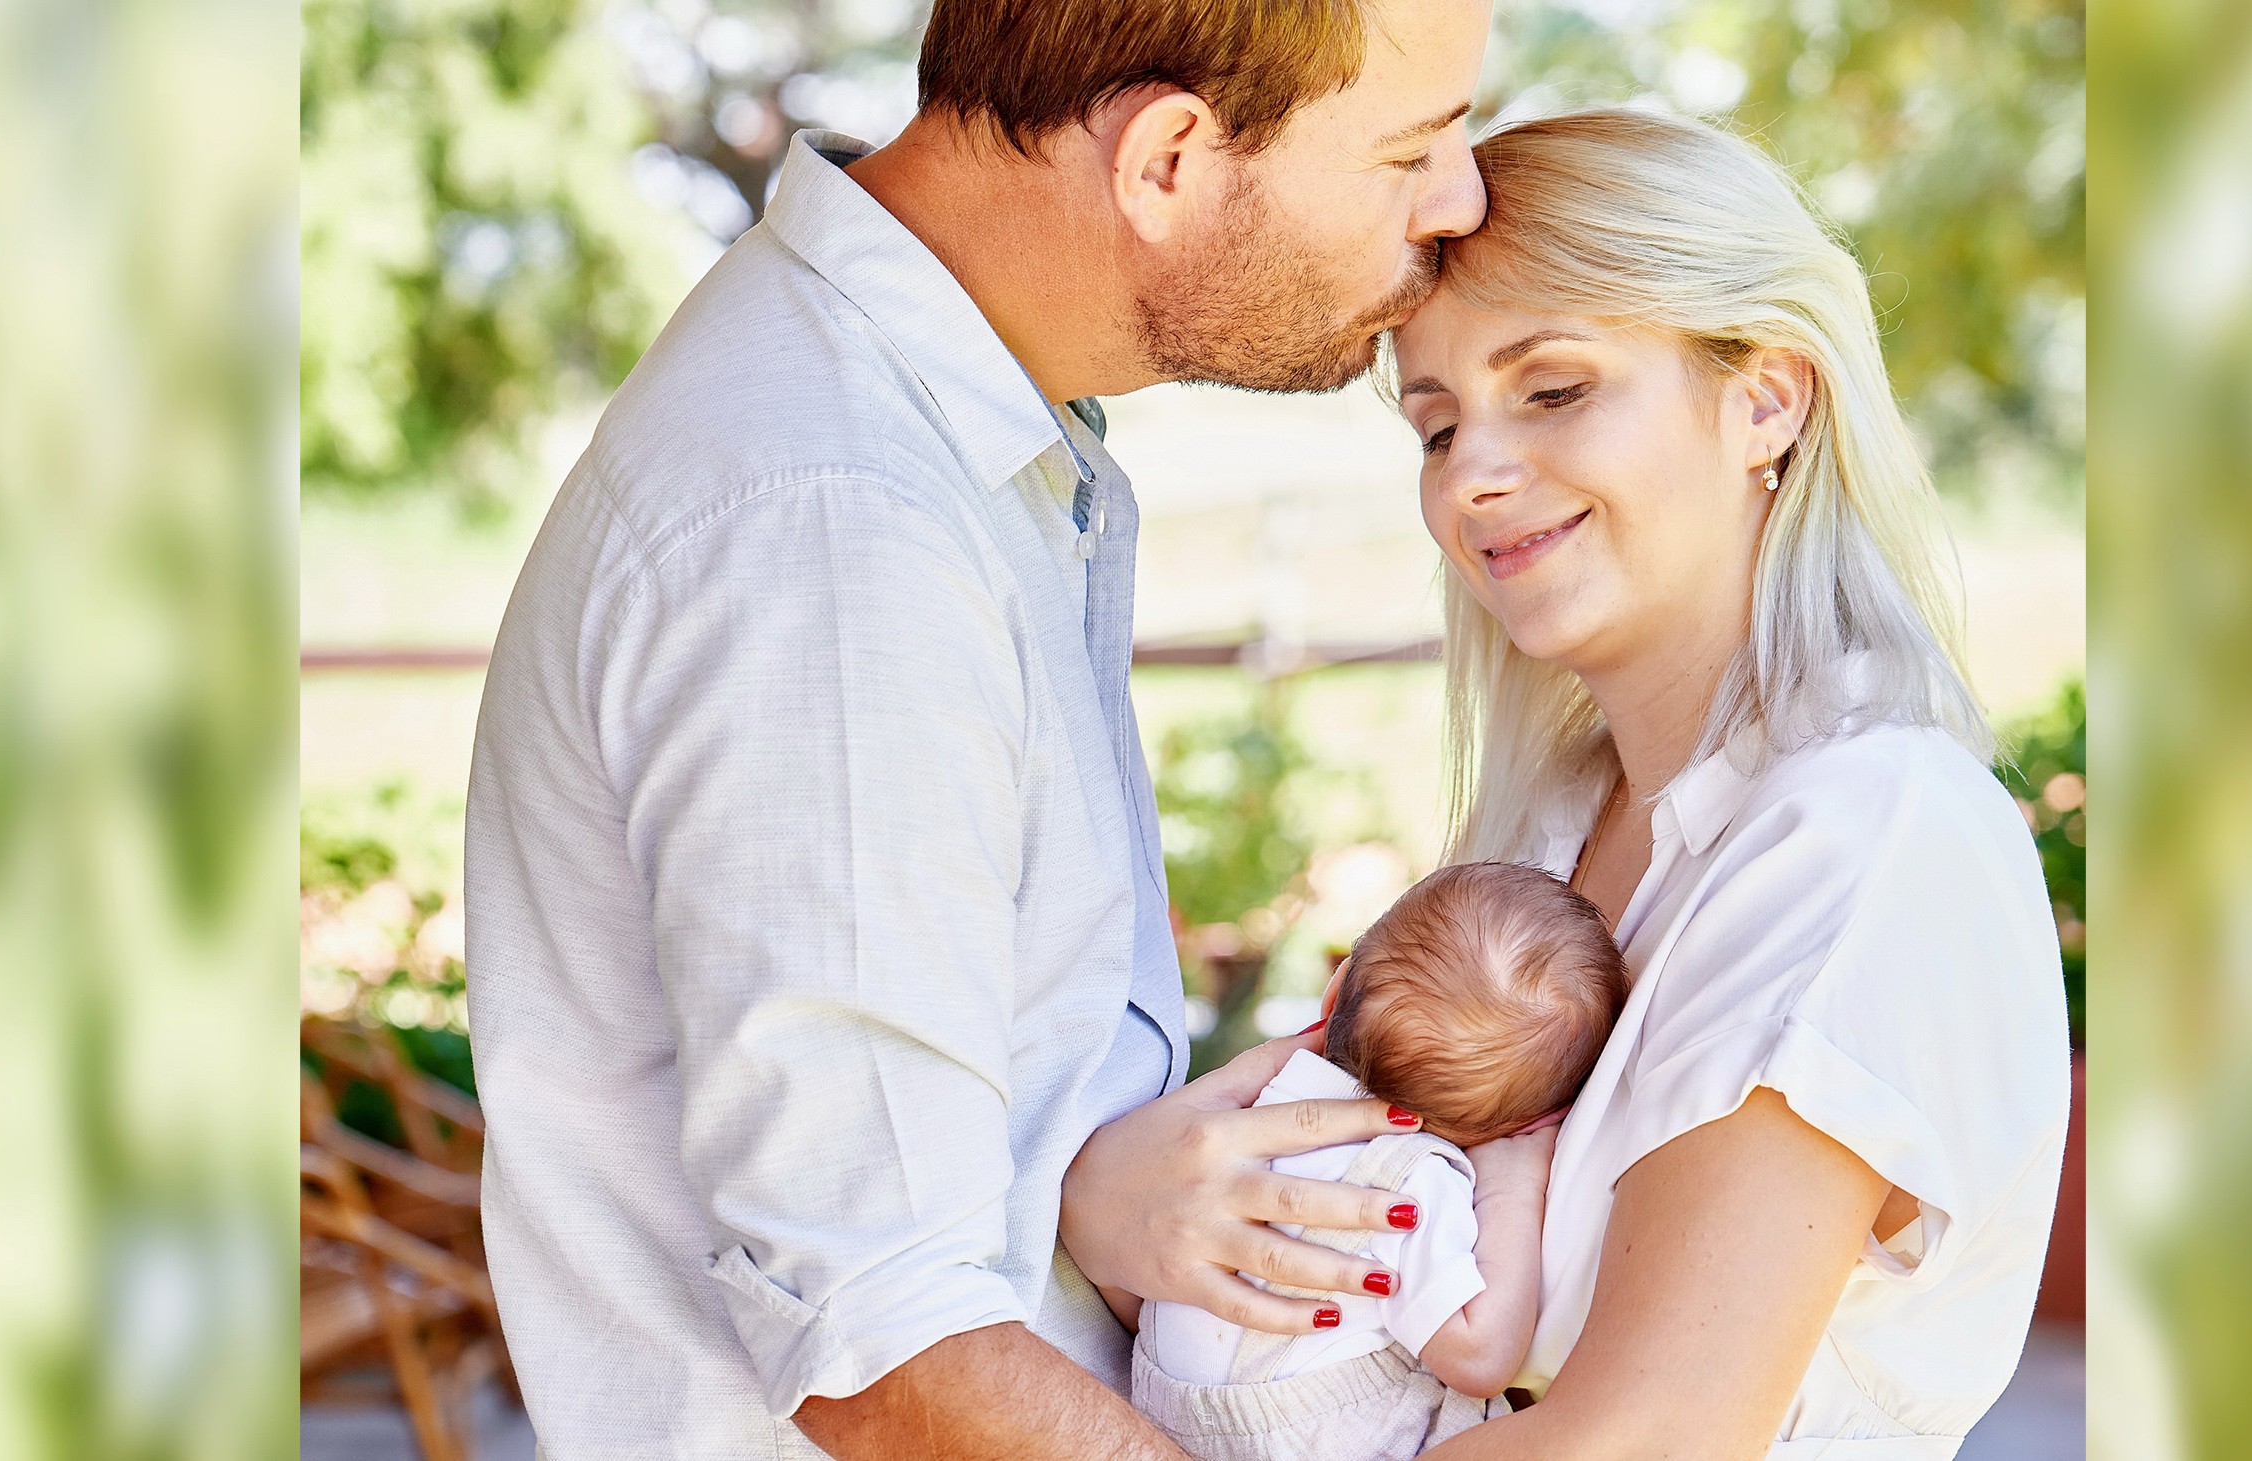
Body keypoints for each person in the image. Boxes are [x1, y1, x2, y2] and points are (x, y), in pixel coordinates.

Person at [462, 1, 1491, 1457]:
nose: (1459, 197)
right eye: (1410, 148)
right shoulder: (837, 522)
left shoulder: (932, 437)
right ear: (1168, 160)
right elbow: (885, 1343)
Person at [1389, 108, 2072, 1457]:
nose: (1471, 470)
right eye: (1433, 425)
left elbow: (1636, 1439)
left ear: (1763, 398)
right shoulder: (1547, 830)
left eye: (1552, 387)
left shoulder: (1868, 835)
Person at [1132, 863, 1624, 1460]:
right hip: (1304, 1438)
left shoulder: (1250, 1110)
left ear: (1334, 991)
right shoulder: (1413, 1181)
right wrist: (1514, 1185)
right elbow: (1479, 1356)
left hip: (1152, 1410)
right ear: (1527, 1126)